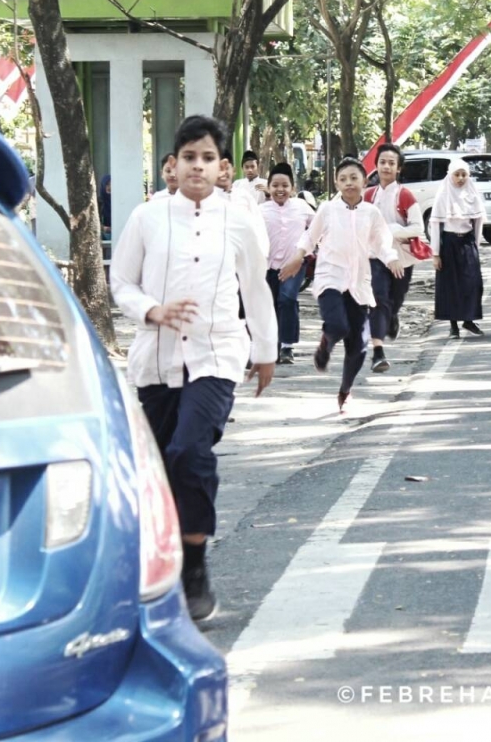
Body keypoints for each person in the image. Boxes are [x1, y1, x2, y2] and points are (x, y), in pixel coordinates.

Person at [110, 114, 278, 621]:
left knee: (191, 450)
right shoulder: (148, 217)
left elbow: (255, 286)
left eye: (208, 158)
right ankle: (162, 560)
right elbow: (121, 282)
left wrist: (264, 349)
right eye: (189, 158)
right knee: (162, 464)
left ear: (223, 166)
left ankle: (196, 565)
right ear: (172, 164)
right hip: (157, 360)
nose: (198, 167)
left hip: (216, 354)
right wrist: (152, 311)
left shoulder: (240, 219)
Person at [279, 157, 403, 412]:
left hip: (359, 282)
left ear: (365, 181)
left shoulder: (371, 212)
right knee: (337, 324)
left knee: (358, 346)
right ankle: (326, 342)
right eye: (343, 179)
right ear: (336, 182)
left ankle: (345, 390)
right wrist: (297, 257)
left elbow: (382, 241)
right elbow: (310, 236)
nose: (349, 184)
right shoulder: (327, 209)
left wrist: (391, 259)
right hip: (330, 278)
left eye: (354, 178)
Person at [363, 143, 426, 373]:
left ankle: (392, 318)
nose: (386, 166)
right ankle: (378, 352)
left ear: (399, 168)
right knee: (379, 299)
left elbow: (418, 227)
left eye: (391, 163)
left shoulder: (405, 195)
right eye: (382, 162)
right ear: (376, 165)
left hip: (402, 259)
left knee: (395, 299)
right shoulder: (368, 195)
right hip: (375, 256)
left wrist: (391, 230)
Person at [261, 161, 314, 365]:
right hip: (267, 266)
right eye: (275, 185)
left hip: (294, 264)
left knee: (287, 298)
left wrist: (307, 249)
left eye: (284, 185)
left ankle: (287, 346)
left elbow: (318, 227)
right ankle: (272, 345)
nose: (280, 190)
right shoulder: (261, 210)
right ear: (269, 187)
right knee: (272, 304)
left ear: (292, 188)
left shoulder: (302, 207)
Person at [430, 157, 485, 338]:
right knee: (450, 285)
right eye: (457, 174)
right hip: (449, 243)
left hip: (467, 243)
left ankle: (468, 320)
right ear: (450, 175)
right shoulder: (443, 195)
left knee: (472, 283)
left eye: (464, 175)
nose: (461, 178)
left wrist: (476, 247)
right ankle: (453, 326)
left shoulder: (472, 194)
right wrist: (436, 253)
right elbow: (436, 225)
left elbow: (478, 223)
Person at [98, 174, 112, 239]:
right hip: (103, 237)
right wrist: (105, 229)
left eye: (111, 184)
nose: (109, 187)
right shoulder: (100, 202)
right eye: (107, 184)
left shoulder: (117, 202)